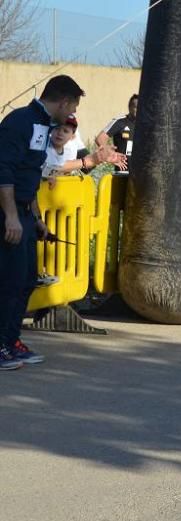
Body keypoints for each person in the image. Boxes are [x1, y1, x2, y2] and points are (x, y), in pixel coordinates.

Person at [1, 75, 87, 370]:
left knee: (25, 281)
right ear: (63, 101)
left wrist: (36, 219)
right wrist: (11, 216)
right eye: (72, 105)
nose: (72, 113)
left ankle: (11, 341)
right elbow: (4, 171)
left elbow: (31, 176)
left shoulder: (45, 127)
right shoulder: (21, 122)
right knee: (9, 283)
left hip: (26, 214)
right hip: (8, 215)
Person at [42, 114, 125, 179]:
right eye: (57, 128)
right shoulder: (43, 146)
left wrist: (101, 158)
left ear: (73, 136)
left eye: (65, 131)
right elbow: (52, 166)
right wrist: (88, 161)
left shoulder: (73, 145)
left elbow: (86, 168)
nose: (60, 133)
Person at [96, 93, 138, 172]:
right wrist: (111, 155)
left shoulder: (145, 125)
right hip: (123, 172)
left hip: (140, 174)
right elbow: (100, 139)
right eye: (136, 107)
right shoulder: (120, 122)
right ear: (129, 107)